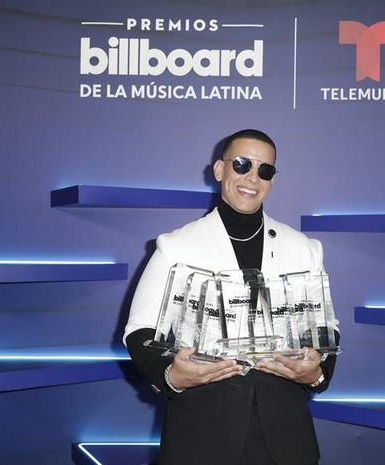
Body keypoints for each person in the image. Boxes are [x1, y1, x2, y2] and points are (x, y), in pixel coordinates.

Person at [123, 129, 339, 465]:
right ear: (220, 170)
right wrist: (170, 376)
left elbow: (325, 331)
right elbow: (139, 332)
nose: (253, 177)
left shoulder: (305, 249)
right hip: (199, 438)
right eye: (242, 164)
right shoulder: (176, 246)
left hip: (287, 442)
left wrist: (318, 374)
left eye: (265, 170)